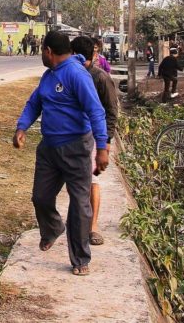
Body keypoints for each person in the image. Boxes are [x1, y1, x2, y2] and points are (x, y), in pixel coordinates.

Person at [13, 31, 109, 277]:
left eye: (41, 51)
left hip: (76, 147)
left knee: (79, 205)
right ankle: (53, 227)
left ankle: (80, 258)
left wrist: (102, 147)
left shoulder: (77, 75)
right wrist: (22, 127)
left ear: (48, 51)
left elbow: (96, 110)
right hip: (49, 148)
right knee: (40, 197)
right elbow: (34, 102)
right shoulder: (48, 76)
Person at [71, 36, 117, 246]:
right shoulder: (68, 74)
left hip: (94, 137)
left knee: (92, 182)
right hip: (72, 136)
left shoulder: (100, 78)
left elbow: (111, 110)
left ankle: (92, 227)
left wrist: (105, 142)